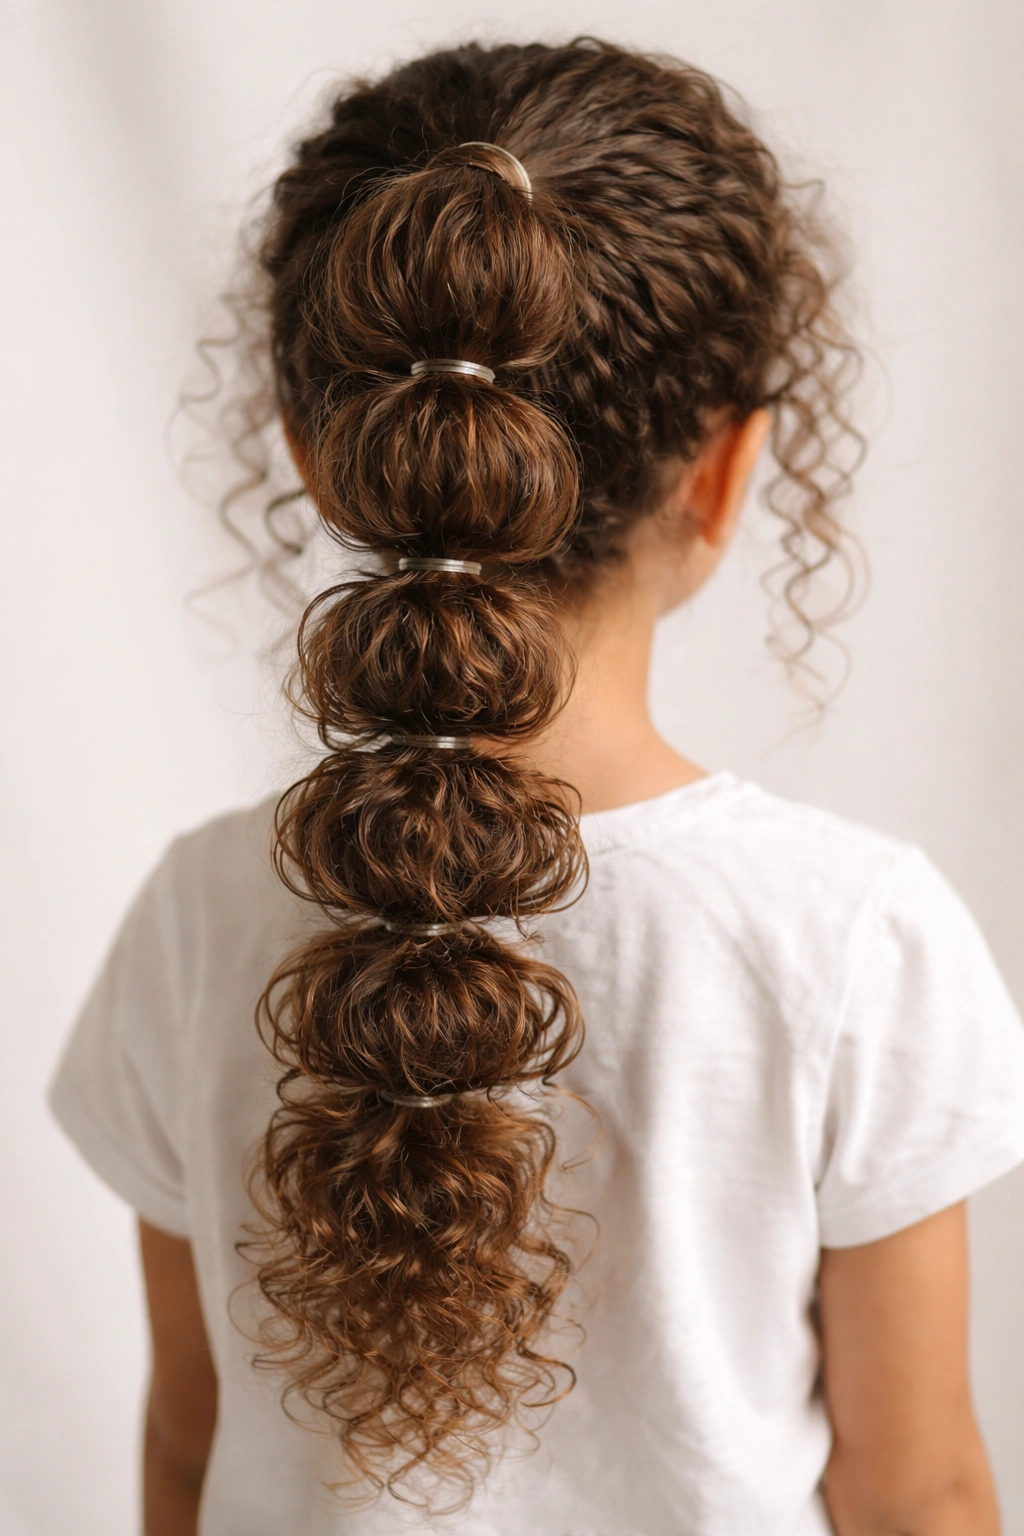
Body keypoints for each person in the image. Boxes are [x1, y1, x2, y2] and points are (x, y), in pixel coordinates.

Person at [49, 38, 1024, 1536]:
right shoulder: (853, 940)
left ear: (328, 458)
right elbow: (919, 1496)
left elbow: (184, 1457)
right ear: (724, 472)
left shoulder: (197, 916)